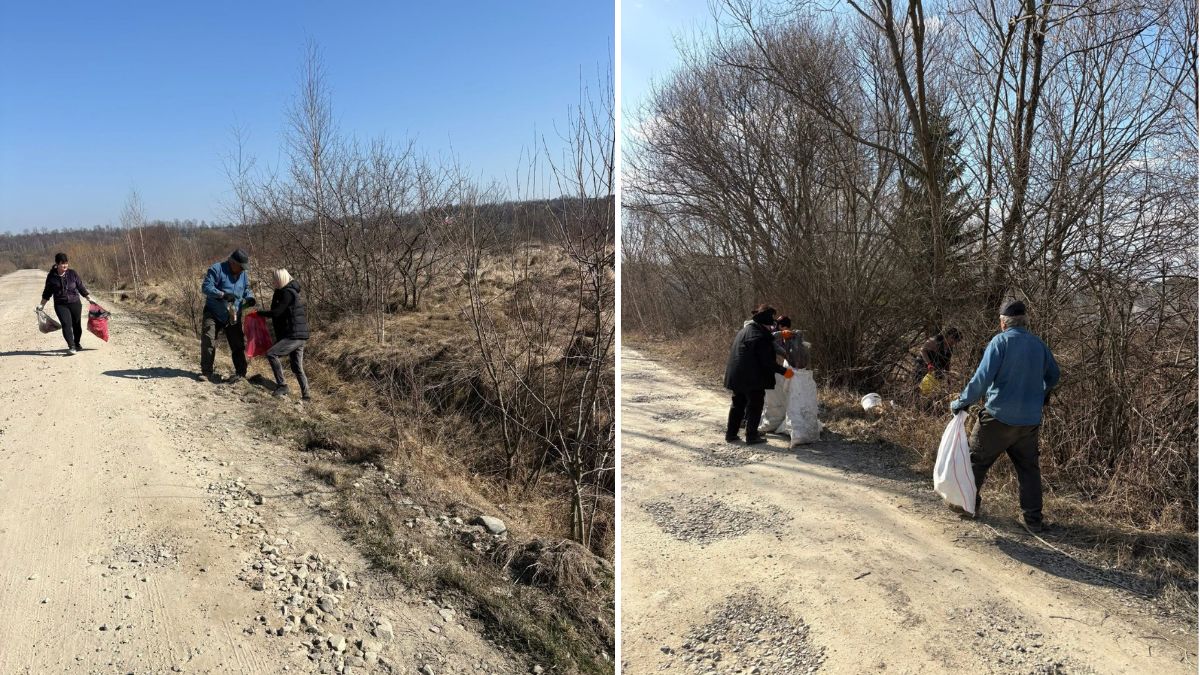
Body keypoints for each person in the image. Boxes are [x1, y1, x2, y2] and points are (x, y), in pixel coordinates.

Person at [950, 301, 1060, 532]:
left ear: (1003, 322)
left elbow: (981, 380)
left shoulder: (1000, 342)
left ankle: (968, 507)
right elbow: (1054, 375)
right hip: (1029, 422)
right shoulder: (1039, 345)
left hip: (998, 417)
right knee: (1028, 470)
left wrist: (961, 403)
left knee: (976, 462)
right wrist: (1040, 393)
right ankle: (1033, 521)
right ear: (1025, 322)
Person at [724, 304, 793, 445]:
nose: (771, 327)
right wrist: (784, 371)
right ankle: (752, 436)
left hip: (737, 375)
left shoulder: (747, 330)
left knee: (738, 404)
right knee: (755, 405)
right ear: (765, 323)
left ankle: (731, 435)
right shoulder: (760, 336)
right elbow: (767, 362)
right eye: (770, 324)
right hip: (751, 377)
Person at [199, 249, 256, 383]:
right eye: (241, 267)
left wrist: (250, 298)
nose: (243, 270)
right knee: (208, 339)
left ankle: (241, 374)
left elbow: (247, 289)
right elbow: (206, 287)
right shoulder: (216, 269)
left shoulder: (243, 274)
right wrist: (222, 294)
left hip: (233, 314)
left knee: (237, 344)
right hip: (213, 312)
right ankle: (207, 372)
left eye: (244, 268)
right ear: (232, 262)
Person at [254, 268, 311, 400]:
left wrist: (259, 313)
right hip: (298, 335)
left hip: (294, 335)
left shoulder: (288, 293)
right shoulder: (284, 292)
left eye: (275, 279)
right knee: (297, 367)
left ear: (280, 279)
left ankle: (282, 385)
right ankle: (306, 396)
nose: (273, 282)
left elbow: (276, 312)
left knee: (271, 353)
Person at [760, 316, 810, 434]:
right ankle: (748, 420)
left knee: (780, 396)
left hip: (779, 371)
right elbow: (773, 345)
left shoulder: (791, 338)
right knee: (763, 398)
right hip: (771, 369)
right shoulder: (771, 334)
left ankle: (779, 420)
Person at [38, 252, 94, 354]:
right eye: (62, 263)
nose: (65, 265)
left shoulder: (72, 273)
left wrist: (88, 298)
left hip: (75, 302)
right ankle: (71, 346)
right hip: (60, 304)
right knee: (66, 324)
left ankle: (77, 343)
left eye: (66, 263)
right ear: (57, 264)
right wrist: (42, 304)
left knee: (77, 325)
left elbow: (80, 287)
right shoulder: (51, 277)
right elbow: (47, 292)